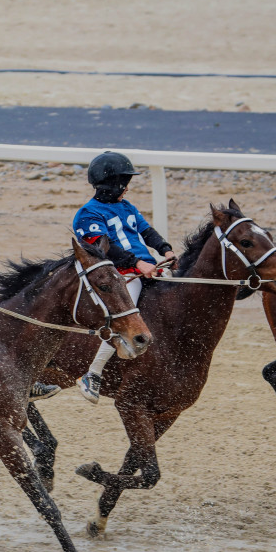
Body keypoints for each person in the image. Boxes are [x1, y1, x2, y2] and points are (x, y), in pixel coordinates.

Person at [72, 151, 176, 404]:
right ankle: (93, 373)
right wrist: (137, 264)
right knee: (124, 313)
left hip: (144, 266)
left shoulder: (128, 207)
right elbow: (104, 248)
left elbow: (146, 231)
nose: (127, 188)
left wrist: (166, 249)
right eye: (125, 182)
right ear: (114, 183)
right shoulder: (88, 215)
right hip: (120, 274)